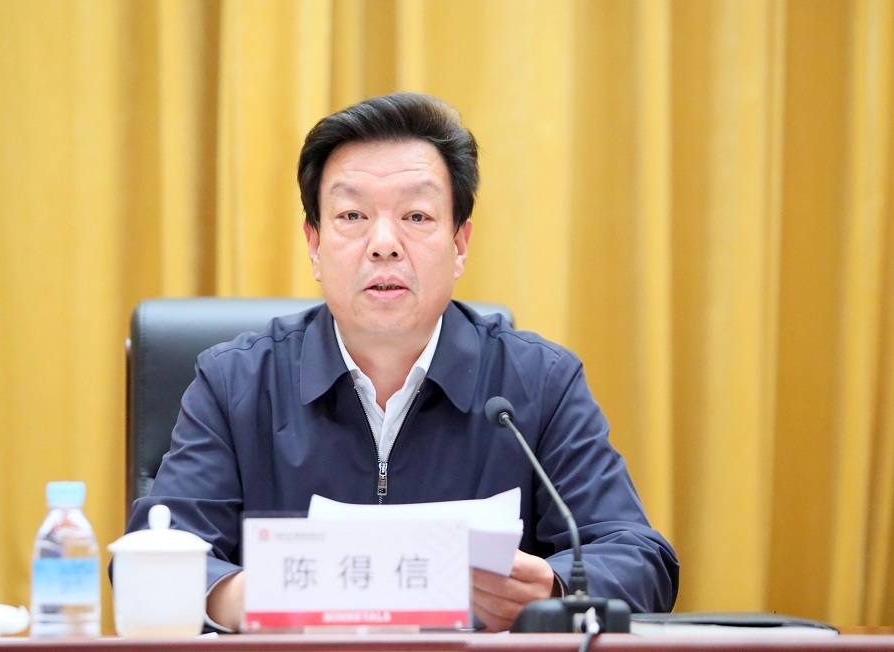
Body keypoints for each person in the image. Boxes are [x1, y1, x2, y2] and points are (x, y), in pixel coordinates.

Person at [123, 92, 679, 632]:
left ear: (460, 244)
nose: (384, 243)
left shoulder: (538, 384)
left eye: (416, 216)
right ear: (314, 244)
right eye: (352, 215)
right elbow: (151, 557)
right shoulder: (235, 383)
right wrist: (254, 595)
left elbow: (639, 557)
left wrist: (553, 591)